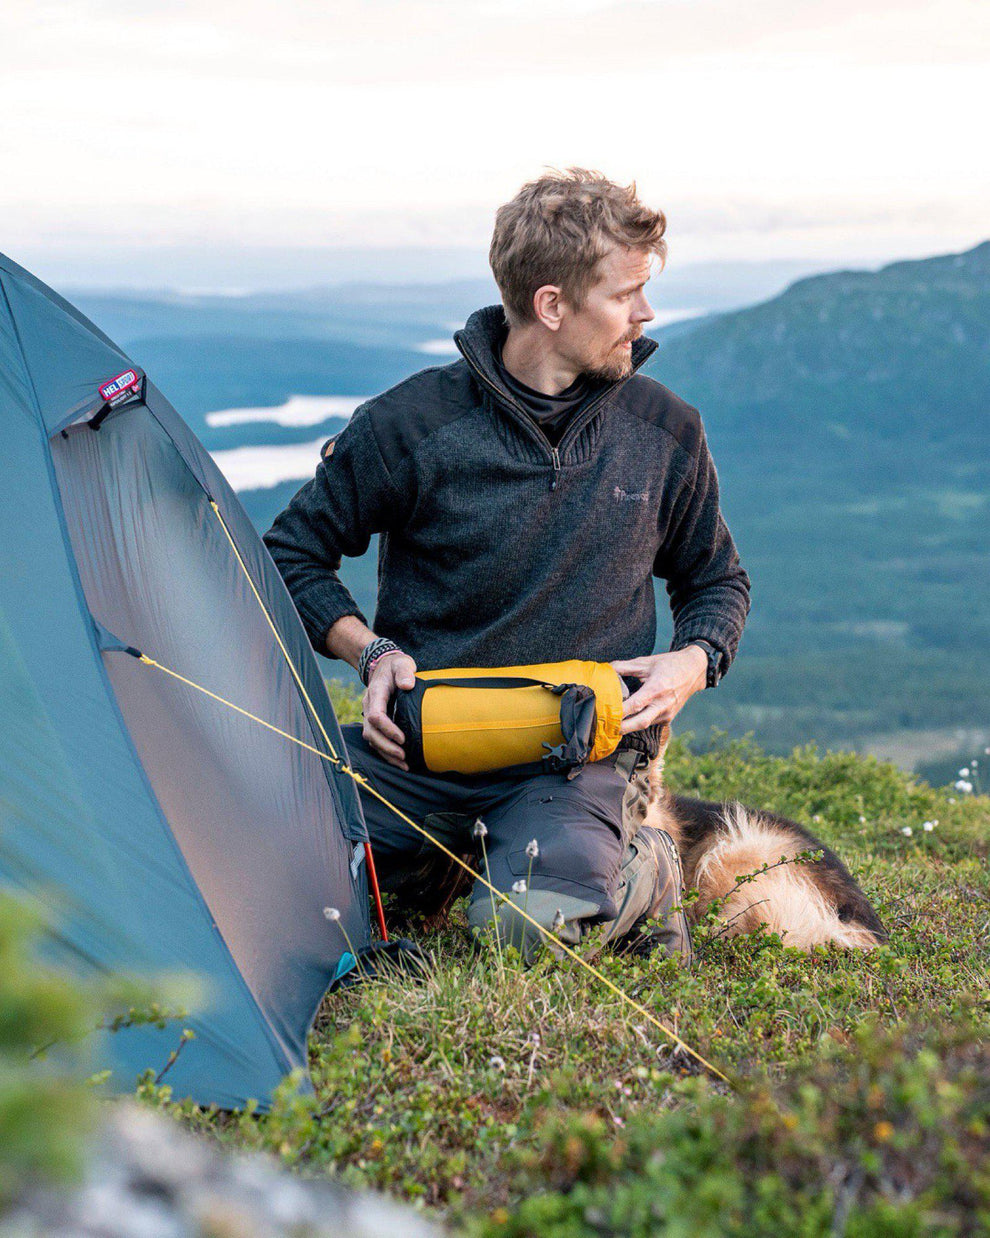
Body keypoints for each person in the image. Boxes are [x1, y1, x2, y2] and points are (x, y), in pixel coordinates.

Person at [264, 168, 751, 963]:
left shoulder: (664, 430)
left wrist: (695, 661)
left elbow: (715, 580)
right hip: (416, 750)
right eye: (624, 293)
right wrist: (369, 650)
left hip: (574, 760)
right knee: (256, 866)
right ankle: (436, 865)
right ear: (552, 304)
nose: (646, 313)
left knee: (532, 933)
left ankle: (648, 865)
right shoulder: (410, 425)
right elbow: (290, 552)